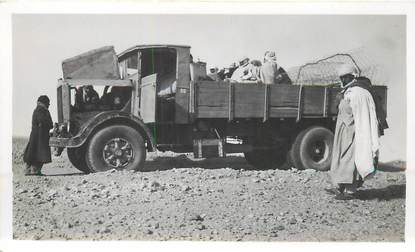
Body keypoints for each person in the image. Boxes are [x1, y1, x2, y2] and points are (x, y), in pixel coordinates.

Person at [327, 64, 384, 200]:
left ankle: (350, 191)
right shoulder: (349, 91)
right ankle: (340, 185)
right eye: (342, 78)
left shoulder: (359, 93)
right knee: (341, 157)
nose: (344, 80)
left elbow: (360, 116)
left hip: (354, 132)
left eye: (346, 77)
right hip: (344, 131)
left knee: (351, 159)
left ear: (353, 76)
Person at [23, 95, 53, 176]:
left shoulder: (37, 109)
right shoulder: (41, 110)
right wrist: (50, 125)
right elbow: (44, 121)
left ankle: (29, 170)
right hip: (40, 136)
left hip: (36, 135)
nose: (49, 105)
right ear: (45, 103)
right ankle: (35, 171)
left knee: (32, 152)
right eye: (48, 103)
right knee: (39, 153)